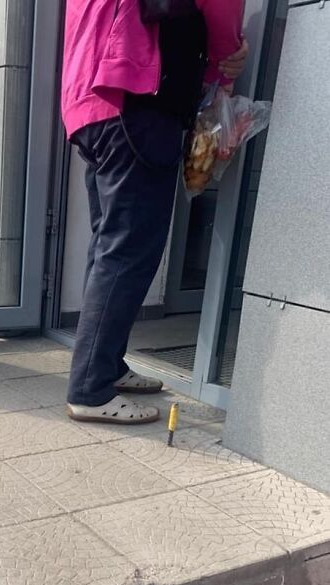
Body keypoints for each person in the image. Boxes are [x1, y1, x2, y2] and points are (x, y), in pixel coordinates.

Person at [63, 0, 248, 424]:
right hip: (136, 100)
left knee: (109, 245)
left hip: (92, 100)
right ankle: (90, 390)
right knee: (128, 250)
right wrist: (227, 60)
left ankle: (105, 367)